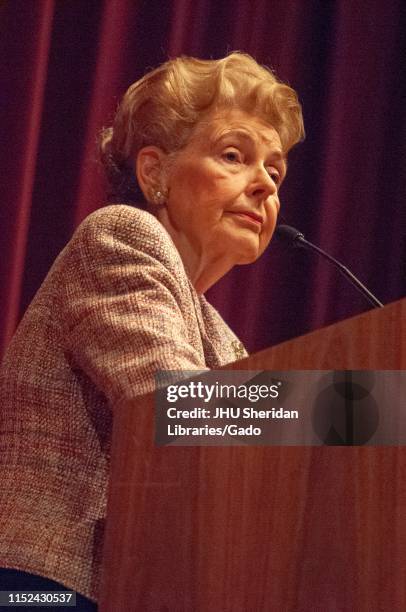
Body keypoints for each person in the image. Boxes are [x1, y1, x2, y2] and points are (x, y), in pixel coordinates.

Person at [0, 52, 304, 608]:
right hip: (42, 588)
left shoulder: (221, 335)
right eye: (234, 156)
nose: (264, 183)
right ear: (154, 172)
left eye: (275, 171)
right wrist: (372, 410)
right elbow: (181, 406)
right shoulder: (119, 236)